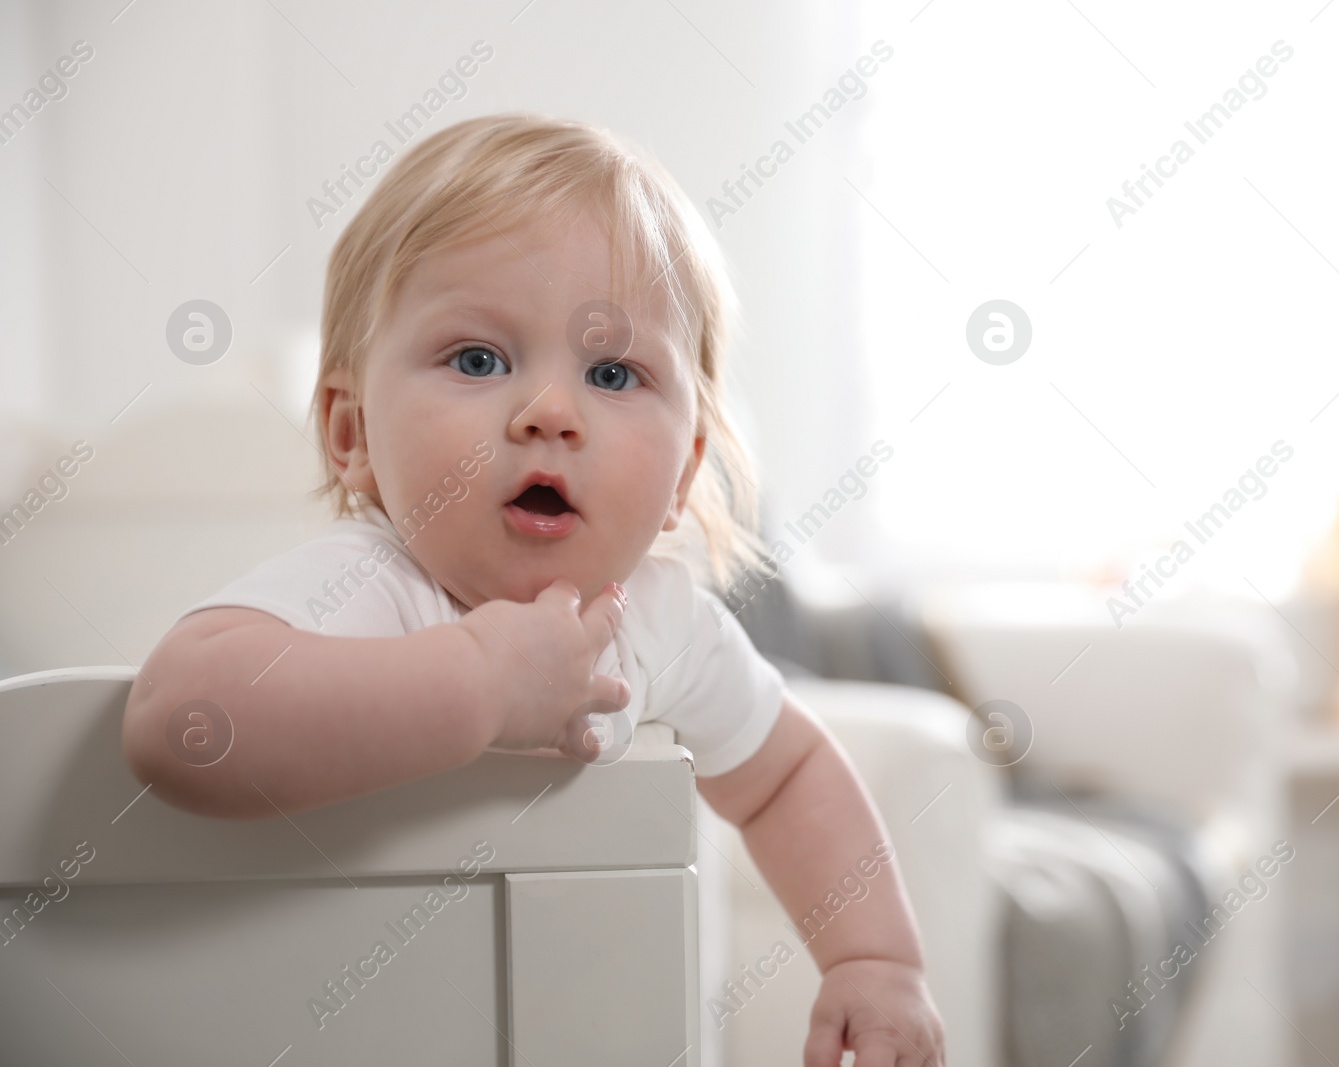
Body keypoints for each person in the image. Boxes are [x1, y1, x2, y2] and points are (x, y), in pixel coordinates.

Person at [122, 112, 945, 1066]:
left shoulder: (667, 623)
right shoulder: (371, 588)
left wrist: (876, 957)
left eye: (612, 372)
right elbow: (175, 717)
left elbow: (788, 775)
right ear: (351, 433)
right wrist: (477, 683)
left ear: (684, 472)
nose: (550, 411)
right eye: (478, 359)